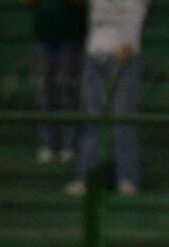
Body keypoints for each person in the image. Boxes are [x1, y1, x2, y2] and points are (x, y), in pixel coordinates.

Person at [68, 0, 148, 197]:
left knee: (123, 121)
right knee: (92, 120)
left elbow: (136, 14)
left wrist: (129, 43)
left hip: (125, 57)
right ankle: (86, 178)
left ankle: (127, 178)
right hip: (95, 55)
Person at [27, 0, 86, 164]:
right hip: (44, 36)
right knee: (46, 92)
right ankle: (48, 144)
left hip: (70, 36)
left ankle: (71, 145)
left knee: (68, 90)